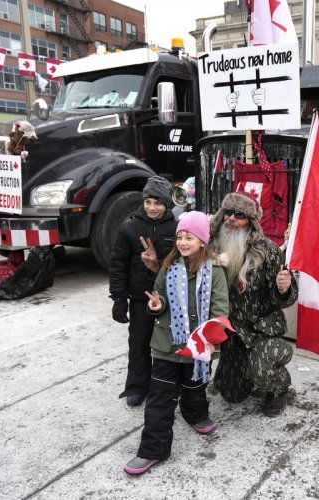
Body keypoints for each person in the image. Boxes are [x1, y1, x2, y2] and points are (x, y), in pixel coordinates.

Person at [124, 211, 229, 475]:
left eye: (189, 237)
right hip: (167, 344)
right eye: (180, 236)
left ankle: (195, 413)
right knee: (160, 397)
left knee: (195, 385)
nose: (183, 242)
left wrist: (210, 338)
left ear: (202, 241)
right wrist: (156, 306)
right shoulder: (168, 267)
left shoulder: (215, 271)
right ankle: (152, 449)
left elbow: (220, 308)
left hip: (198, 344)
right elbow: (160, 300)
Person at [210, 192, 298, 417]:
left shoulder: (267, 250)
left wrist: (283, 288)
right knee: (231, 394)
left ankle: (278, 387)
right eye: (228, 212)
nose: (231, 218)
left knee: (259, 369)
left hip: (262, 330)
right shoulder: (212, 245)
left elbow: (287, 297)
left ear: (250, 220)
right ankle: (240, 374)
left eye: (239, 215)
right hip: (233, 331)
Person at [109, 176, 177, 407]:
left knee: (167, 344)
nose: (152, 207)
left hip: (169, 298)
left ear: (167, 204)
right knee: (138, 344)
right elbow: (117, 264)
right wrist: (119, 299)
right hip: (140, 298)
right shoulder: (129, 228)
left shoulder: (176, 228)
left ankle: (164, 385)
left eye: (158, 202)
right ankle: (136, 386)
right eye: (148, 201)